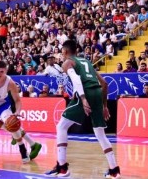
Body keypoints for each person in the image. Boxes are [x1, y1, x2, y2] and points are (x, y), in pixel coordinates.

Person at [45, 40, 120, 178]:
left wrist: (84, 98)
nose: (61, 54)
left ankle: (62, 168)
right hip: (97, 93)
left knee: (61, 126)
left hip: (85, 92)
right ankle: (114, 171)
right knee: (100, 134)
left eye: (62, 51)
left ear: (66, 51)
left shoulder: (67, 62)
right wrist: (104, 106)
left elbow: (77, 81)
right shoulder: (87, 62)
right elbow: (104, 83)